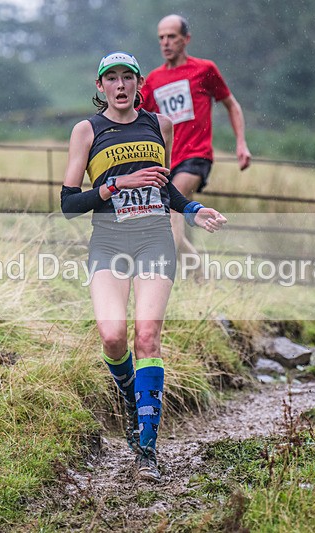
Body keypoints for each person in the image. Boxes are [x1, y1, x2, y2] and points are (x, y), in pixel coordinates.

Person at [60, 51, 227, 481]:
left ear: (138, 84)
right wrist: (116, 184)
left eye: (127, 77)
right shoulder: (87, 130)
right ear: (100, 87)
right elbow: (68, 204)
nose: (119, 85)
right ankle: (133, 400)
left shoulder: (159, 125)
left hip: (154, 238)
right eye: (110, 78)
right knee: (114, 336)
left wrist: (193, 208)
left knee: (147, 335)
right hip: (109, 241)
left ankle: (146, 451)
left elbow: (164, 188)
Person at [140, 14, 250, 264]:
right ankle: (198, 273)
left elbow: (231, 105)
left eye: (172, 37)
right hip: (167, 160)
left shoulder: (204, 70)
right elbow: (138, 118)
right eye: (161, 38)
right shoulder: (153, 79)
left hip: (196, 156)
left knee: (171, 203)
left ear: (186, 39)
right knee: (175, 213)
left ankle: (161, 266)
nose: (166, 43)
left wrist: (241, 143)